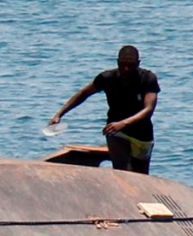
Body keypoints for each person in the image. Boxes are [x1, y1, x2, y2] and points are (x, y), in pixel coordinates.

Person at [49, 46, 159, 174]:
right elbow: (83, 94)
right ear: (117, 62)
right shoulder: (107, 78)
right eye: (123, 65)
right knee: (123, 171)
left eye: (131, 65)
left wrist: (123, 123)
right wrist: (59, 114)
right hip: (116, 131)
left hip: (142, 134)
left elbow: (148, 110)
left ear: (138, 63)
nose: (126, 69)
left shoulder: (148, 78)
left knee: (141, 174)